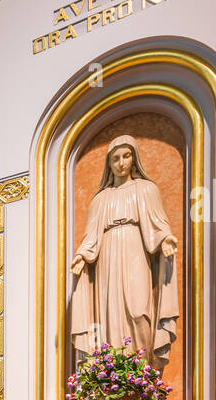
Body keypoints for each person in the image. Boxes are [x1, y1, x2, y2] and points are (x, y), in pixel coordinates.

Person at [69, 134, 179, 369]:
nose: (121, 162)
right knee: (110, 316)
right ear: (109, 164)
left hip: (135, 250)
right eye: (115, 158)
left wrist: (165, 240)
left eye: (126, 156)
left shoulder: (146, 189)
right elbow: (91, 236)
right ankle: (115, 374)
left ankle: (140, 372)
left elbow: (158, 223)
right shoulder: (100, 199)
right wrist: (81, 255)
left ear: (134, 158)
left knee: (139, 311)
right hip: (107, 257)